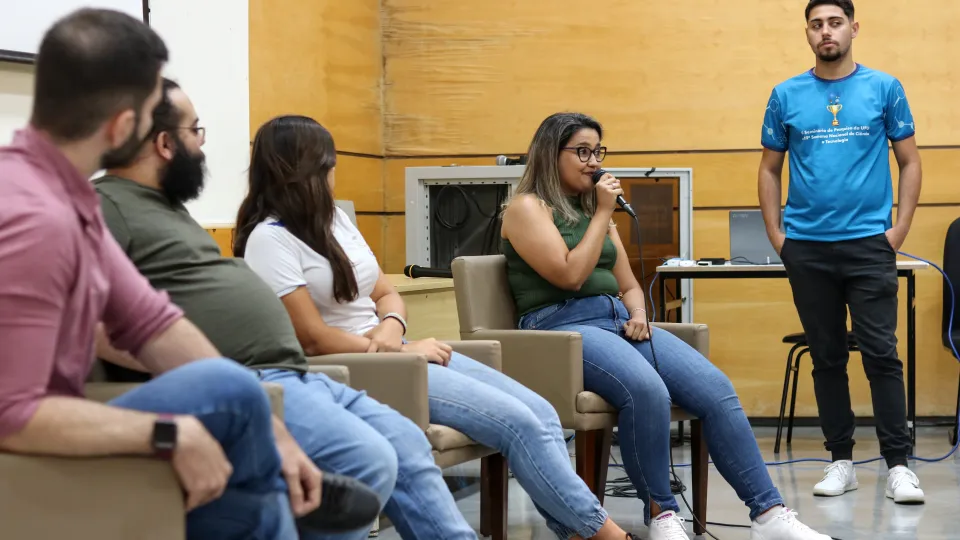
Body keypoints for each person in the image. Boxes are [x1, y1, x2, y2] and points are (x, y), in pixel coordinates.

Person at [0, 8, 375, 539]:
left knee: (235, 400)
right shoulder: (32, 217)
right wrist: (167, 435)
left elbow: (154, 324)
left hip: (54, 419)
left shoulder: (66, 196)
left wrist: (276, 438)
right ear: (125, 124)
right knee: (261, 504)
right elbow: (11, 415)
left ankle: (271, 489)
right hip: (21, 453)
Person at [94, 79, 479, 540]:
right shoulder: (105, 209)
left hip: (295, 372)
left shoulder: (166, 209)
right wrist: (201, 368)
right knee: (366, 460)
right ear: (163, 143)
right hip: (248, 378)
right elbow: (92, 327)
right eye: (195, 130)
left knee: (406, 443)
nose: (202, 143)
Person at [237, 114, 639, 540]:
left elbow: (386, 293)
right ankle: (604, 534)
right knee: (518, 423)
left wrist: (392, 326)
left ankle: (579, 530)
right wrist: (394, 351)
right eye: (325, 161)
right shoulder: (269, 239)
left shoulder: (334, 218)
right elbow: (311, 337)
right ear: (294, 169)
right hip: (353, 364)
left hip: (390, 349)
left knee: (540, 411)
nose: (333, 169)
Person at [497, 112, 832, 540]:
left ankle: (768, 515)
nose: (593, 162)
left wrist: (638, 314)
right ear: (550, 153)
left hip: (614, 320)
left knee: (715, 388)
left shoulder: (593, 212)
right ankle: (663, 515)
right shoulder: (527, 207)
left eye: (598, 151)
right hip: (559, 326)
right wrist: (602, 213)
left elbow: (630, 286)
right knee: (647, 390)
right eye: (581, 152)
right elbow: (570, 276)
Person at [757, 0, 924, 504]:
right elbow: (769, 169)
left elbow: (910, 162)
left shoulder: (884, 87)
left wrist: (897, 231)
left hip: (870, 245)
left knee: (881, 356)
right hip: (807, 247)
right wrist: (778, 237)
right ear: (806, 33)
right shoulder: (785, 94)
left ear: (853, 27)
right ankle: (841, 462)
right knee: (827, 357)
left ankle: (898, 466)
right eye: (815, 24)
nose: (825, 32)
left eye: (834, 23)